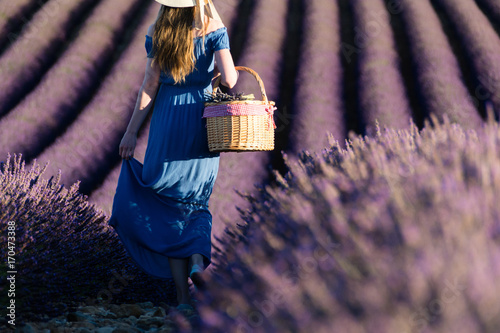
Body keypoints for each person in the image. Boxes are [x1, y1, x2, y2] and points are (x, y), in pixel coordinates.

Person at [108, 0, 238, 310]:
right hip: (200, 122)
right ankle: (196, 260)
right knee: (196, 202)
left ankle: (182, 298)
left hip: (166, 122)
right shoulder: (213, 30)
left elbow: (149, 85)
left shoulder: (158, 31)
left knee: (168, 206)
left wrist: (131, 132)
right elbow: (231, 80)